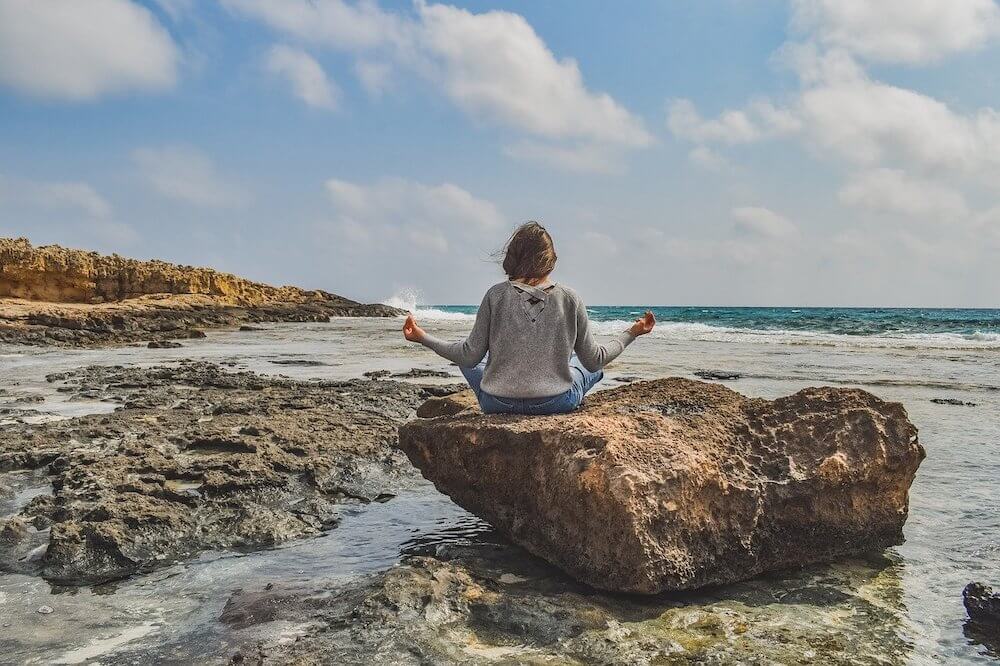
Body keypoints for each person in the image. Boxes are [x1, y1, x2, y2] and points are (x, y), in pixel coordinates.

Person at [402, 221, 655, 415]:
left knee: (467, 355)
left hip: (496, 403)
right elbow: (595, 359)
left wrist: (422, 337)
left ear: (512, 257)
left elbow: (469, 356)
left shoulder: (495, 295)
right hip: (556, 402)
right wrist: (632, 332)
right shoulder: (570, 298)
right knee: (586, 366)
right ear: (550, 260)